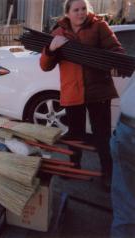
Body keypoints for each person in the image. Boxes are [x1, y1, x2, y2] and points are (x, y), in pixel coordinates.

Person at [39, 0, 124, 191]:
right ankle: (73, 167)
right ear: (68, 13)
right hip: (72, 92)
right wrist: (51, 49)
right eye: (76, 10)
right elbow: (45, 66)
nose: (81, 13)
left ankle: (107, 173)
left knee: (102, 136)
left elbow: (116, 49)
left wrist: (116, 61)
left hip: (98, 92)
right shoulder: (58, 33)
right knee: (75, 135)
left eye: (84, 8)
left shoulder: (99, 27)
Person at [110, 77, 135, 237]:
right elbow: (45, 64)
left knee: (126, 204)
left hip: (129, 128)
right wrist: (50, 51)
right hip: (128, 128)